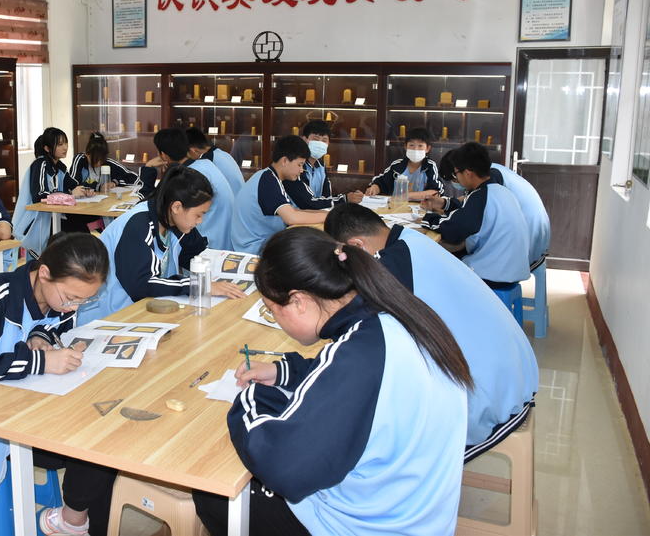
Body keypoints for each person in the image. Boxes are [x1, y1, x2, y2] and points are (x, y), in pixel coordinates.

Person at [192, 227, 472, 536]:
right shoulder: (389, 315)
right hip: (417, 513)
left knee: (214, 493)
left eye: (274, 312)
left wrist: (248, 400)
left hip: (371, 528)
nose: (278, 322)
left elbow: (285, 469)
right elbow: (343, 377)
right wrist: (285, 372)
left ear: (299, 301)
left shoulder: (357, 356)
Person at [0, 233, 117, 535]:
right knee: (93, 445)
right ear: (44, 273)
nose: (73, 307)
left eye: (86, 300)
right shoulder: (0, 293)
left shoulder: (60, 296)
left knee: (106, 432)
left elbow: (57, 323)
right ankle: (73, 521)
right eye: (71, 297)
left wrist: (41, 337)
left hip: (30, 409)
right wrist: (39, 362)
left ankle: (78, 522)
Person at [325, 203, 537, 460]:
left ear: (357, 246)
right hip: (516, 373)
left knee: (363, 421)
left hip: (490, 398)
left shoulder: (392, 264)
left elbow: (344, 320)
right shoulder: (410, 240)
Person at [76, 166, 245, 324]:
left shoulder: (173, 220)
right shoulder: (139, 225)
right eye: (199, 215)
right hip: (112, 317)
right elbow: (142, 286)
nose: (200, 222)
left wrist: (235, 273)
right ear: (177, 207)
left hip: (146, 311)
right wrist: (198, 285)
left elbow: (198, 253)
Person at [421, 142, 531, 288]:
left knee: (434, 261)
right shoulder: (499, 190)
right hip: (512, 269)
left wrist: (426, 218)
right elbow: (465, 213)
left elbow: (453, 230)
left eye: (456, 174)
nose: (457, 179)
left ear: (467, 173)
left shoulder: (481, 196)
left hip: (493, 273)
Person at [230, 136, 328, 255]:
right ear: (285, 161)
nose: (301, 170)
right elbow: (291, 217)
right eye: (300, 165)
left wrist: (326, 214)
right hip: (254, 248)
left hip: (262, 241)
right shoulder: (268, 181)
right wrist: (328, 217)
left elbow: (293, 211)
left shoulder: (271, 176)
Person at [138, 128, 234, 250]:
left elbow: (149, 204)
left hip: (206, 244)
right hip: (223, 237)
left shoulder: (184, 177)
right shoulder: (206, 164)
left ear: (163, 155)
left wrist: (149, 167)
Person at [12, 128, 93, 256]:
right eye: (60, 144)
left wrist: (86, 190)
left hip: (50, 218)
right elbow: (39, 196)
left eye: (66, 143)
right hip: (33, 222)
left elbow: (73, 185)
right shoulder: (40, 164)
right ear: (47, 148)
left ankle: (74, 268)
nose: (65, 147)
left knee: (81, 230)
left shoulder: (60, 167)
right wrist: (71, 194)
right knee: (76, 235)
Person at [283, 120, 363, 209]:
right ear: (304, 139)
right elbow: (307, 202)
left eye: (324, 140)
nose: (320, 143)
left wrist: (349, 197)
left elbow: (327, 196)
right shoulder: (295, 165)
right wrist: (345, 199)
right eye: (315, 139)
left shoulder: (321, 165)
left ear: (328, 144)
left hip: (316, 214)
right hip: (296, 217)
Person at [366, 127, 443, 200]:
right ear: (405, 147)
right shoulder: (397, 165)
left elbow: (435, 192)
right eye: (411, 145)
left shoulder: (430, 166)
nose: (415, 149)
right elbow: (381, 182)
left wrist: (407, 196)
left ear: (427, 149)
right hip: (395, 206)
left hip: (420, 208)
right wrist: (374, 188)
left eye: (420, 146)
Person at [69, 131, 139, 190]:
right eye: (96, 160)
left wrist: (115, 182)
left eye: (101, 160)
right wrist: (98, 187)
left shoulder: (108, 162)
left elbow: (134, 177)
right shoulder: (80, 159)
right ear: (87, 154)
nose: (99, 163)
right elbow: (73, 183)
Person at [185, 127, 245, 196]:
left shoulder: (207, 159)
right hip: (238, 199)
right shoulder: (221, 153)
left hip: (232, 203)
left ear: (193, 150)